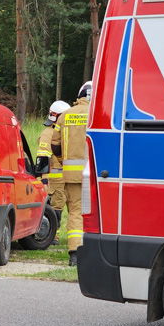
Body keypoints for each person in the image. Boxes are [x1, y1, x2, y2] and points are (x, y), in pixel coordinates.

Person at [51, 81, 91, 266]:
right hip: (98, 176)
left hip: (72, 176)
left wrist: (62, 161)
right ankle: (94, 251)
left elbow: (55, 145)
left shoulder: (65, 116)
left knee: (75, 212)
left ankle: (75, 253)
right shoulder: (99, 113)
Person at [36, 100, 70, 238]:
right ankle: (52, 235)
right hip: (54, 180)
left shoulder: (66, 133)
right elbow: (43, 157)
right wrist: (44, 180)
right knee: (56, 207)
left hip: (69, 178)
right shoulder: (48, 133)